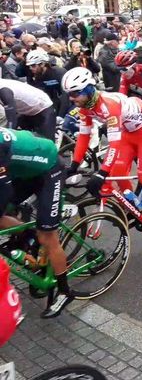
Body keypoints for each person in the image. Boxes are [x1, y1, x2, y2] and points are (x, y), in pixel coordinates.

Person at [62, 68, 142, 220]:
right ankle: (134, 204)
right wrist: (74, 165)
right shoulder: (85, 108)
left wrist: (102, 173)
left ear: (88, 89)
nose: (71, 99)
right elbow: (83, 136)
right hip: (128, 132)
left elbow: (114, 143)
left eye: (75, 93)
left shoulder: (108, 105)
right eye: (69, 94)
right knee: (118, 173)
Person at [0, 128, 72, 318]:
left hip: (50, 170)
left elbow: (4, 193)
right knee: (6, 211)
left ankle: (64, 291)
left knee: (47, 235)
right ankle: (28, 236)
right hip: (25, 170)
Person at [17, 50, 70, 118]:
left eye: (33, 66)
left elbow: (65, 96)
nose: (31, 68)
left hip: (59, 101)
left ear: (42, 64)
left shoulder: (58, 73)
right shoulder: (31, 74)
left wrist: (60, 116)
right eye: (29, 66)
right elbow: (18, 73)